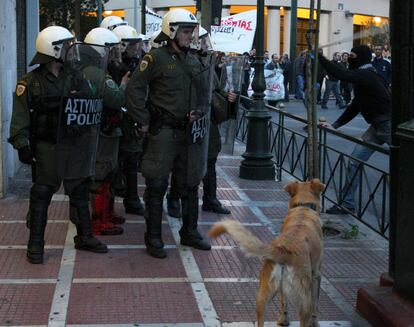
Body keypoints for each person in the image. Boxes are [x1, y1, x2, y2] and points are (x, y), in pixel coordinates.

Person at [8, 26, 108, 264]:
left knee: (80, 189)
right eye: (66, 47)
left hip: (73, 144)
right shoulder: (30, 83)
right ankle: (35, 245)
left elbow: (88, 103)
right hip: (48, 146)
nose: (72, 52)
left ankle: (85, 236)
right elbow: (20, 118)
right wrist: (22, 144)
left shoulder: (75, 76)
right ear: (53, 50)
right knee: (42, 193)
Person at [126, 9, 211, 258]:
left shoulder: (193, 59)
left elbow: (203, 91)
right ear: (171, 31)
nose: (190, 36)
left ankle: (190, 231)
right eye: (185, 31)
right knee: (157, 185)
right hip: (163, 131)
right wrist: (142, 120)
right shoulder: (155, 59)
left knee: (189, 183)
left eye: (191, 31)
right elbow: (134, 90)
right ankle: (153, 238)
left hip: (189, 133)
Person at [167, 27, 235, 217]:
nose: (207, 45)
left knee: (210, 159)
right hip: (189, 119)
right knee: (184, 162)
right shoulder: (185, 62)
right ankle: (174, 198)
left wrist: (227, 97)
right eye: (204, 41)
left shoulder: (206, 63)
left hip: (207, 119)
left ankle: (210, 199)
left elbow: (215, 90)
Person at [318, 45, 391, 215]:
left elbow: (341, 74)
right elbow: (355, 106)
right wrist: (334, 125)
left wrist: (321, 57)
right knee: (354, 162)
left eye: (352, 55)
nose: (349, 59)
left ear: (361, 58)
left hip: (387, 125)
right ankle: (347, 204)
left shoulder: (366, 74)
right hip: (377, 126)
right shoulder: (364, 76)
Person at [82, 28, 130, 236]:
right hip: (103, 133)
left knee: (108, 174)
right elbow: (117, 99)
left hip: (103, 131)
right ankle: (99, 221)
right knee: (102, 176)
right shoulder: (98, 74)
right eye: (111, 51)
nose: (114, 55)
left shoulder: (90, 70)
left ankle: (106, 215)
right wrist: (124, 86)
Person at [109, 24, 145, 216]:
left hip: (130, 121)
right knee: (112, 165)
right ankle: (109, 206)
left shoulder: (134, 65)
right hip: (115, 122)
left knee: (131, 162)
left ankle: (132, 200)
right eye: (132, 46)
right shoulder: (113, 68)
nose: (136, 49)